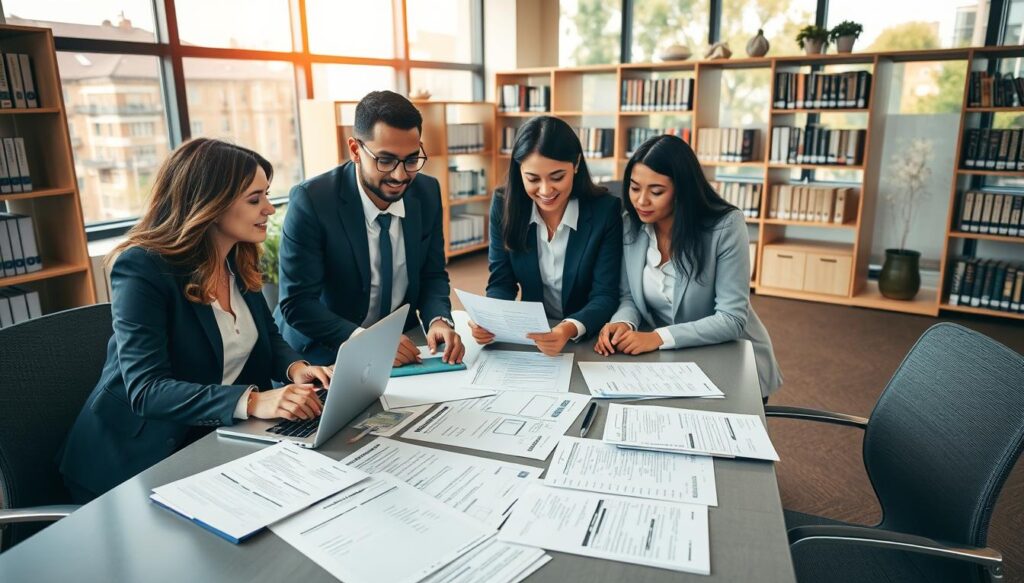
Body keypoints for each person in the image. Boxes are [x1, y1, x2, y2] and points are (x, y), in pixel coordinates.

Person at [60, 139, 331, 502]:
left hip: (210, 442)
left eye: (266, 195)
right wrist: (252, 402)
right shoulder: (142, 268)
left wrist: (295, 367)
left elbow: (266, 335)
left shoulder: (234, 257)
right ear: (211, 204)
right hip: (134, 463)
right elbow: (146, 389)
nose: (269, 208)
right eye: (254, 199)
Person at [275, 90, 464, 367]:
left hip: (401, 341)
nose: (400, 176)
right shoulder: (312, 201)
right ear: (355, 150)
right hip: (326, 348)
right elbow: (297, 303)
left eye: (411, 160)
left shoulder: (427, 191)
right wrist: (369, 342)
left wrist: (439, 319)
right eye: (385, 161)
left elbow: (432, 274)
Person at [594, 134, 782, 399]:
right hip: (671, 361)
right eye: (635, 188)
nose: (641, 201)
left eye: (656, 191)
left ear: (682, 189)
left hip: (729, 355)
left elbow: (731, 319)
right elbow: (629, 298)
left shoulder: (726, 226)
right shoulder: (630, 225)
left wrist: (658, 337)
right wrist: (623, 323)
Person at [471, 116, 622, 356]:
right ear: (519, 169)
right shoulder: (503, 204)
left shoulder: (606, 211)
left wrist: (568, 328)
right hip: (533, 338)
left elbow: (605, 294)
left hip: (588, 338)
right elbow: (502, 282)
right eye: (532, 179)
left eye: (557, 177)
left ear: (576, 164)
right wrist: (490, 318)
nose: (545, 190)